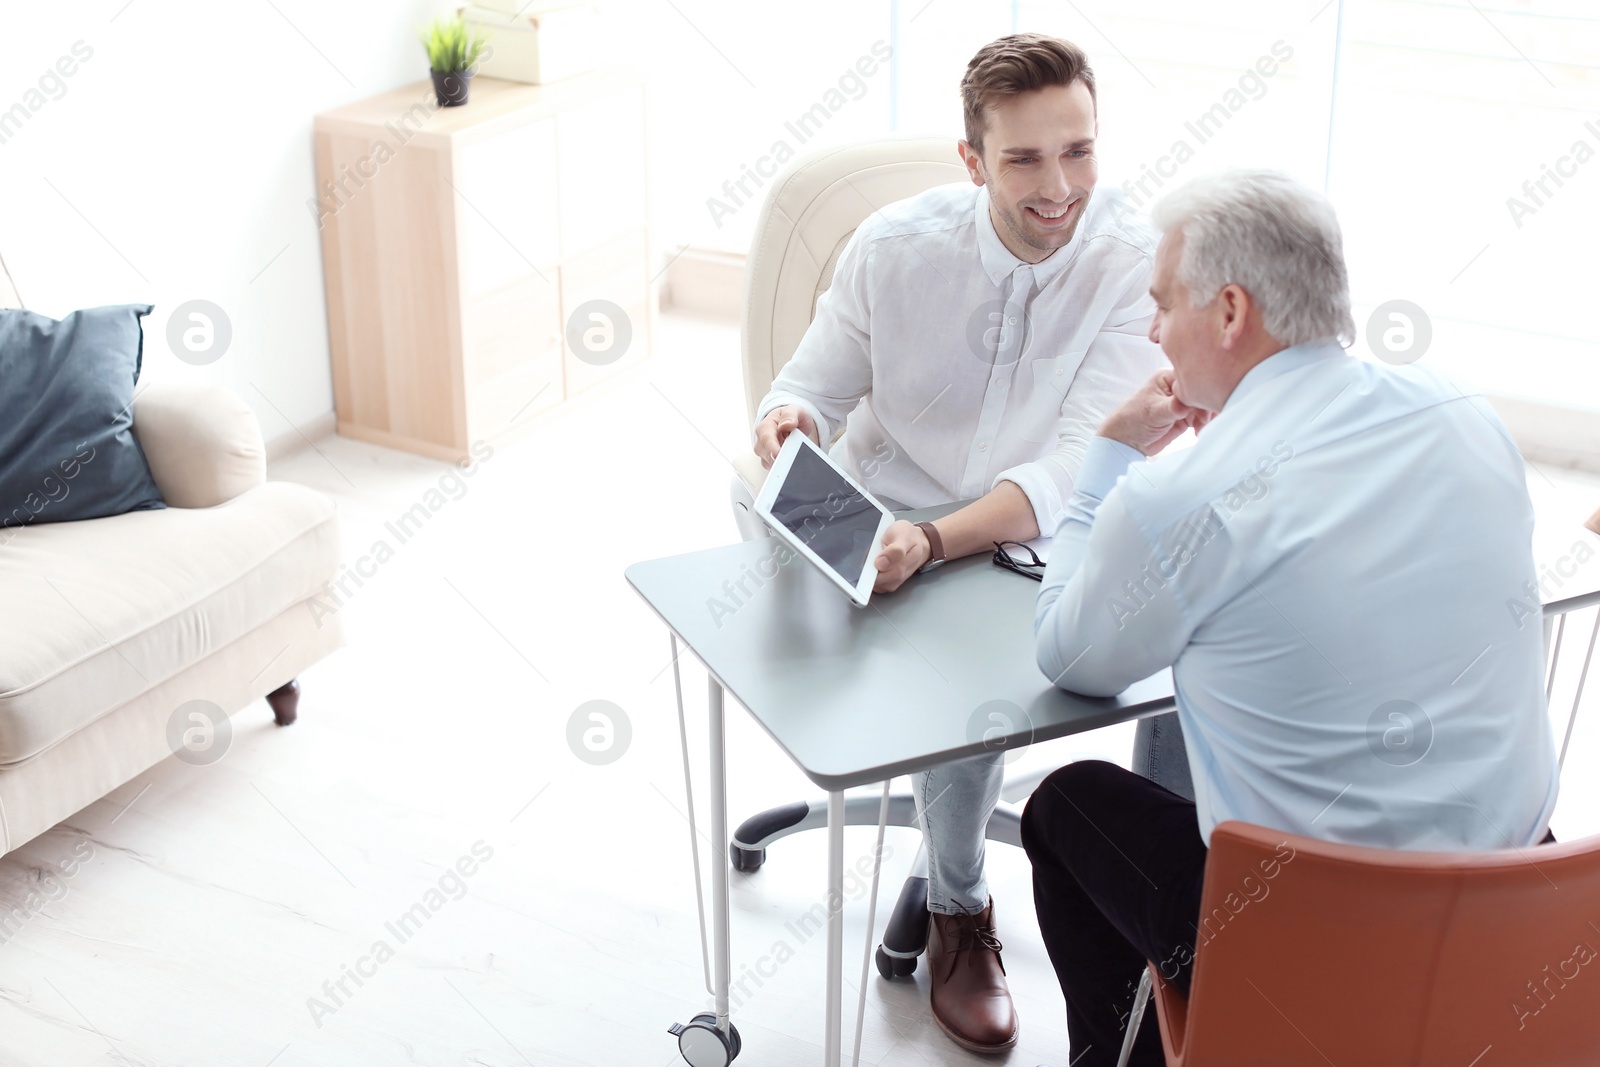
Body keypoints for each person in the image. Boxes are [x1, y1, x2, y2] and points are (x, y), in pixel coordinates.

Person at [1020, 169, 1560, 1067]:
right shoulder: (1465, 411)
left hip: (1323, 947)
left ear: (1230, 311)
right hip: (1523, 915)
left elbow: (1069, 654)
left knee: (1068, 805)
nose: (1153, 331)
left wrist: (1108, 463)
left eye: (1162, 305)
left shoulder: (1179, 495)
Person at [750, 33, 1170, 1055]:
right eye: (1024, 159)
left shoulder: (1132, 259)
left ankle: (958, 907)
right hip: (875, 505)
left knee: (973, 702)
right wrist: (787, 421)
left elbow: (1079, 463)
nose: (1058, 186)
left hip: (1013, 535)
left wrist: (933, 542)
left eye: (1077, 151)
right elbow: (807, 385)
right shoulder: (894, 248)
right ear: (972, 159)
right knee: (763, 538)